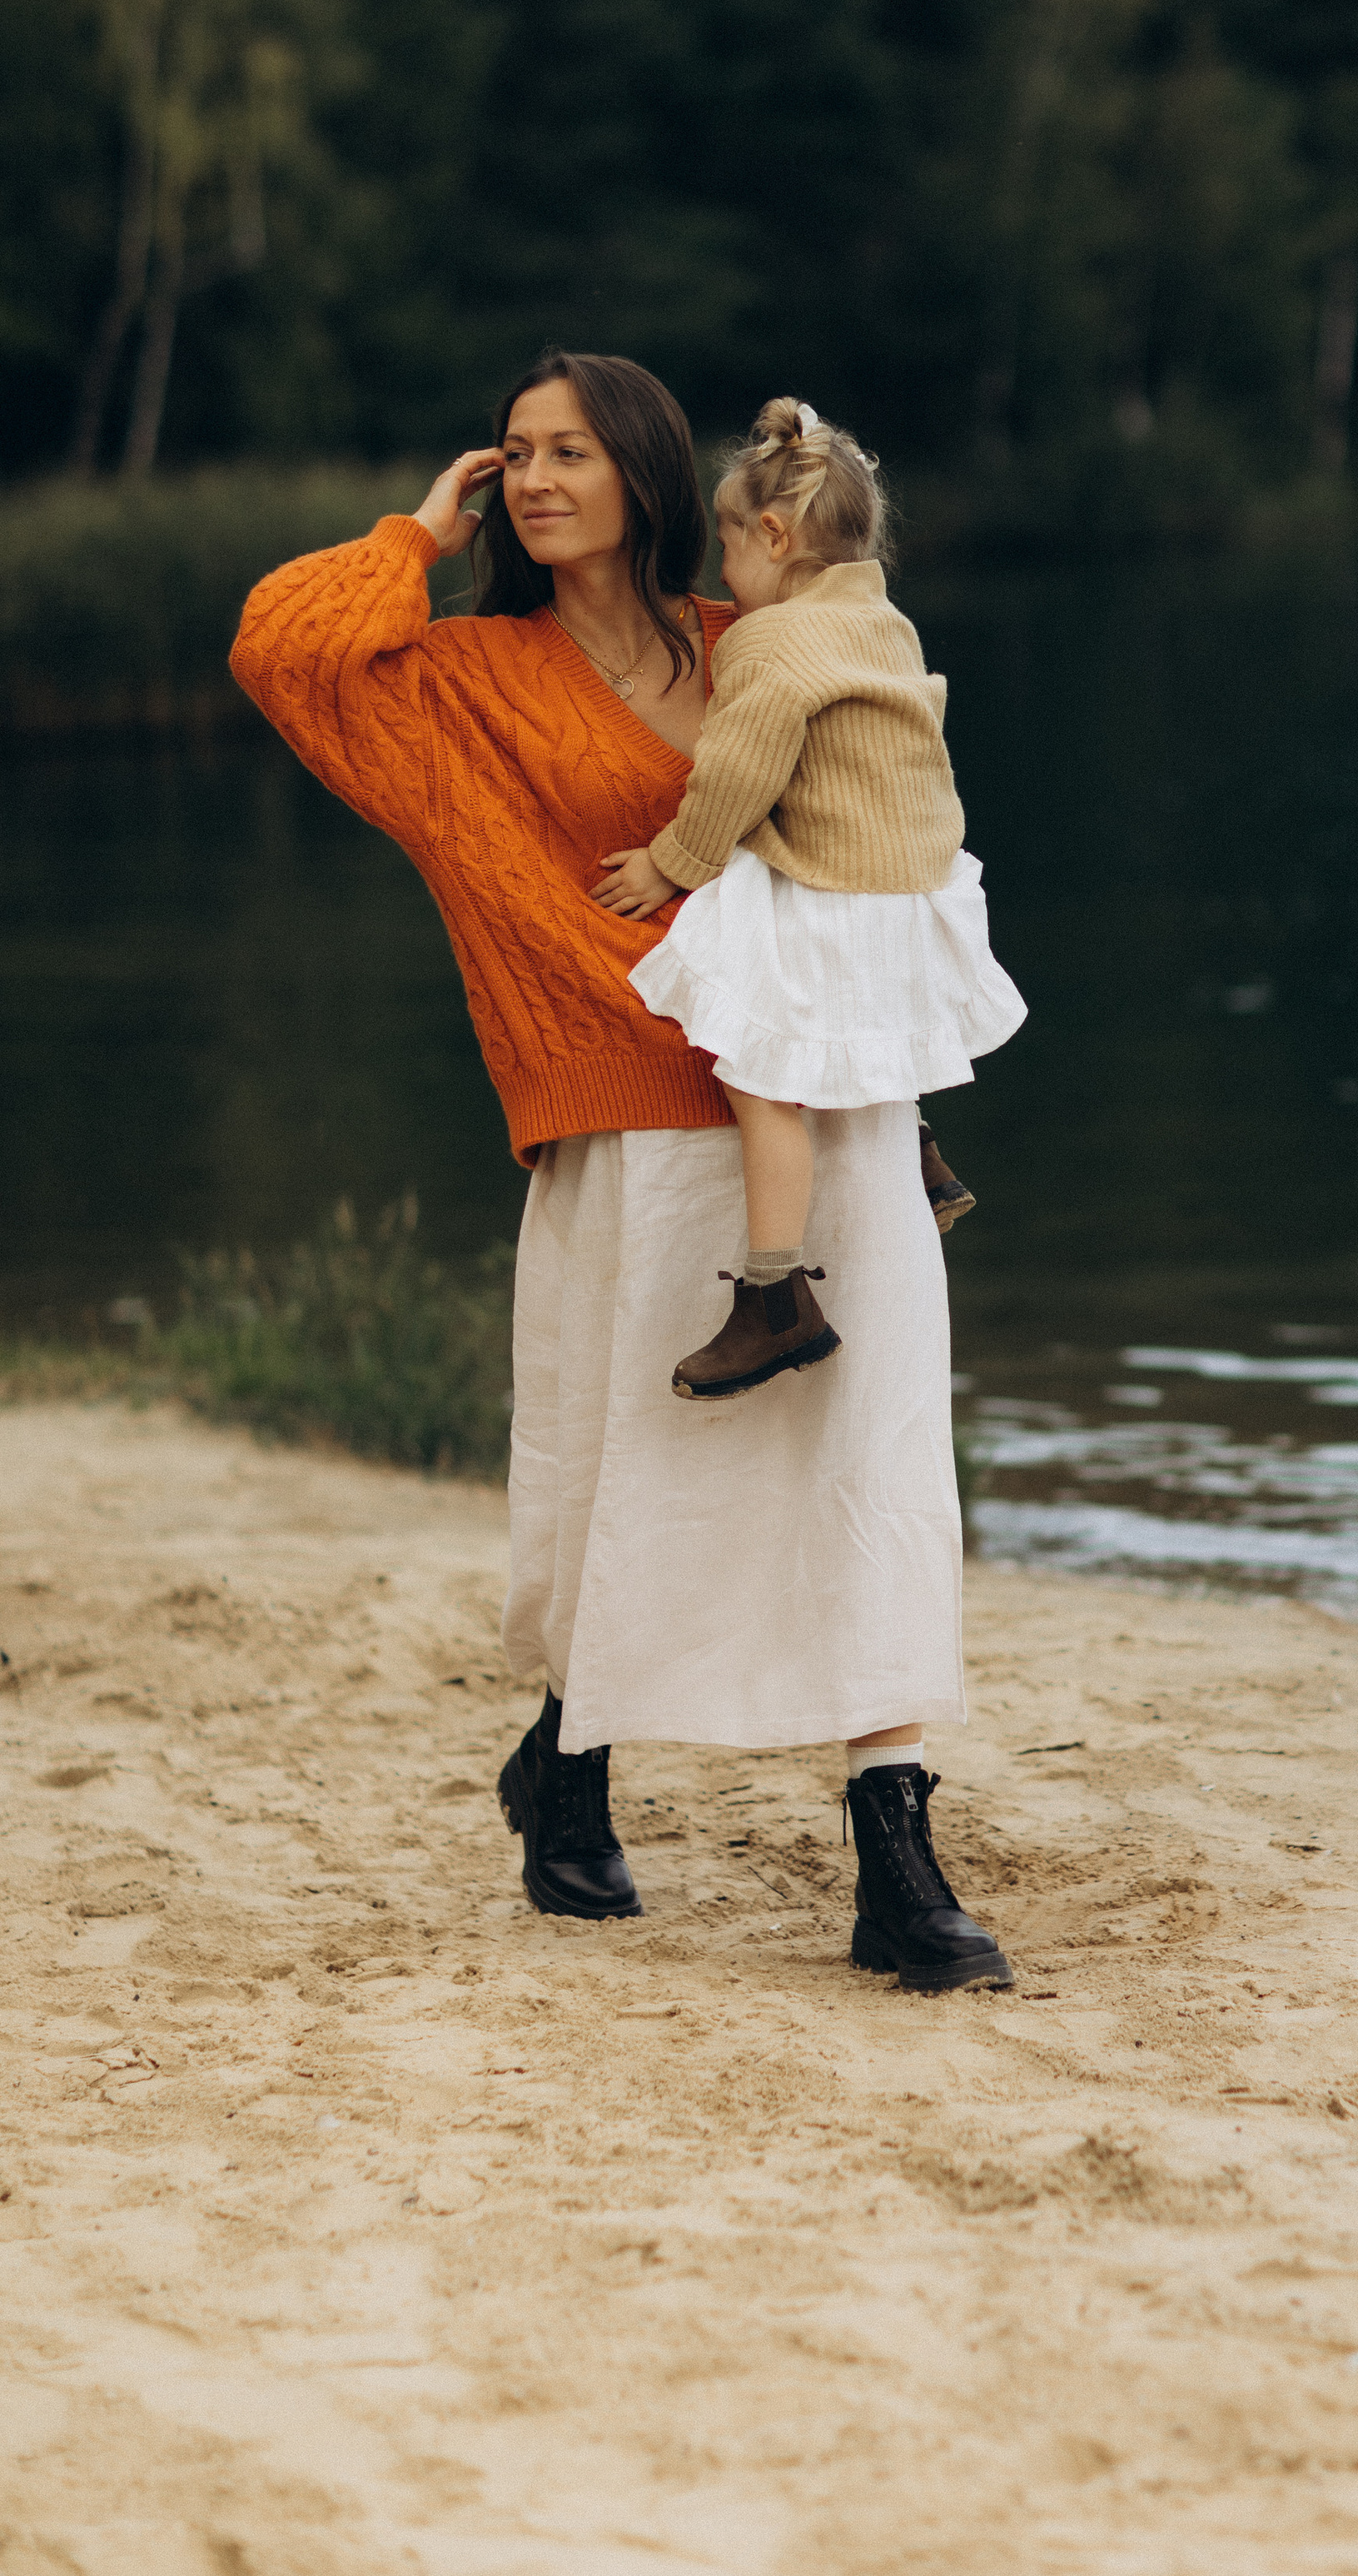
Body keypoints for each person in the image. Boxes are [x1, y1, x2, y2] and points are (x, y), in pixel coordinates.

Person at [229, 349, 1013, 1992]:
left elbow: (894, 809)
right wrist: (414, 536)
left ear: (646, 471)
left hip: (824, 1103)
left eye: (567, 450)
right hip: (632, 1113)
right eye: (512, 454)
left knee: (869, 1461)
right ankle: (570, 1768)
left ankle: (895, 1854)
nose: (532, 478)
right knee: (633, 1473)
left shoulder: (757, 635)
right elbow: (279, 649)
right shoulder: (464, 678)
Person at [593, 396, 1026, 1400]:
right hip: (920, 888)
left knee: (757, 1074)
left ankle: (775, 1298)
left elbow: (737, 774)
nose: (721, 576)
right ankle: (917, 1149)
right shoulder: (882, 623)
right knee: (855, 1002)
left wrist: (672, 862)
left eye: (729, 549)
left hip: (838, 886)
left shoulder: (770, 644)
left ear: (775, 536)